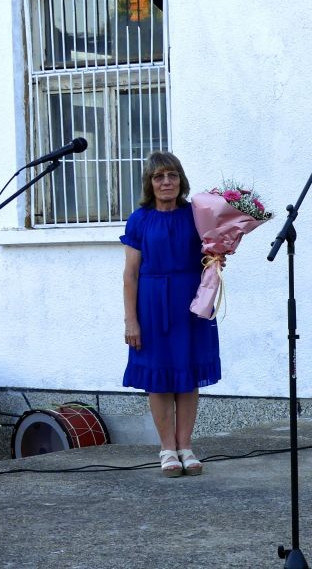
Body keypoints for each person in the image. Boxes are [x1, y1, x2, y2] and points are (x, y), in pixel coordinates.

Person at [121, 151, 222, 477]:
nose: (166, 182)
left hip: (191, 302)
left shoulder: (197, 214)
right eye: (159, 176)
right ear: (149, 183)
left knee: (188, 374)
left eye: (172, 175)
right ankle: (167, 449)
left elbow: (210, 253)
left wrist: (218, 259)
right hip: (152, 305)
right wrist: (131, 319)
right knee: (159, 378)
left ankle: (186, 447)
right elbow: (130, 274)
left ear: (181, 180)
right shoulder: (139, 219)